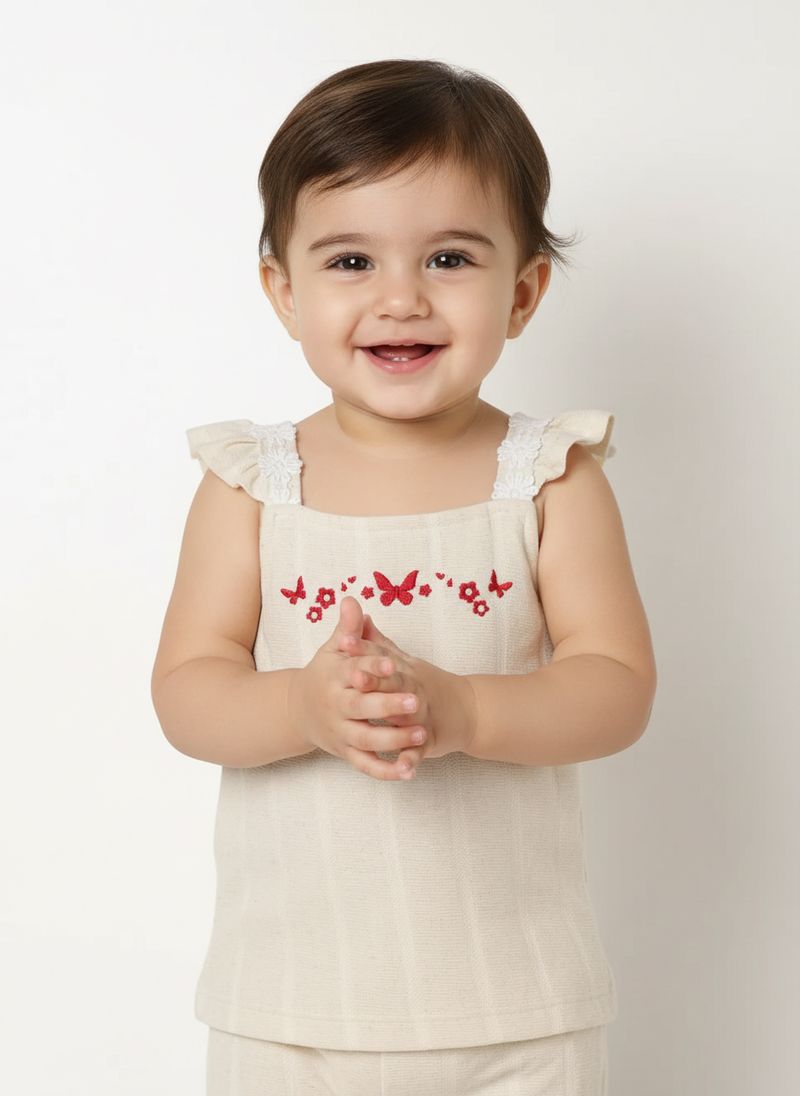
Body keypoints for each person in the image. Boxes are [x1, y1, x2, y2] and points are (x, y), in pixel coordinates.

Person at [151, 58, 657, 1096]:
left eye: (448, 258)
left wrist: (467, 710)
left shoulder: (547, 479)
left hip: (517, 1010)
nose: (400, 298)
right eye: (350, 261)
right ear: (284, 293)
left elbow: (615, 687)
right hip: (289, 1009)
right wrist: (301, 706)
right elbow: (187, 693)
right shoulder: (252, 484)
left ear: (521, 292)